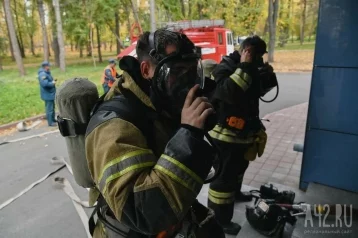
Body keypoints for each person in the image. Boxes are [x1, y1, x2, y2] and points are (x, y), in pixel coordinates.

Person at [85, 29, 225, 238]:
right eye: (176, 73)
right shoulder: (114, 125)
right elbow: (141, 212)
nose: (186, 84)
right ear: (145, 70)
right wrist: (189, 135)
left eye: (190, 72)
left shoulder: (158, 102)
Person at [207, 36, 274, 235]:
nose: (258, 59)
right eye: (256, 55)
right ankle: (219, 220)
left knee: (237, 170)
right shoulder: (225, 67)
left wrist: (266, 74)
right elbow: (230, 93)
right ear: (246, 50)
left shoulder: (251, 67)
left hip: (243, 135)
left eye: (261, 56)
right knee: (223, 180)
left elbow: (258, 92)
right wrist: (245, 67)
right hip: (225, 137)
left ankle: (235, 194)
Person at [38, 61, 57, 127]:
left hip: (50, 94)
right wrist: (52, 83)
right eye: (48, 66)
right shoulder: (43, 74)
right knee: (49, 109)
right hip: (47, 94)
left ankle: (53, 119)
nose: (49, 67)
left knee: (52, 107)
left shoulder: (47, 73)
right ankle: (50, 122)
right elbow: (45, 84)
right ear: (45, 66)